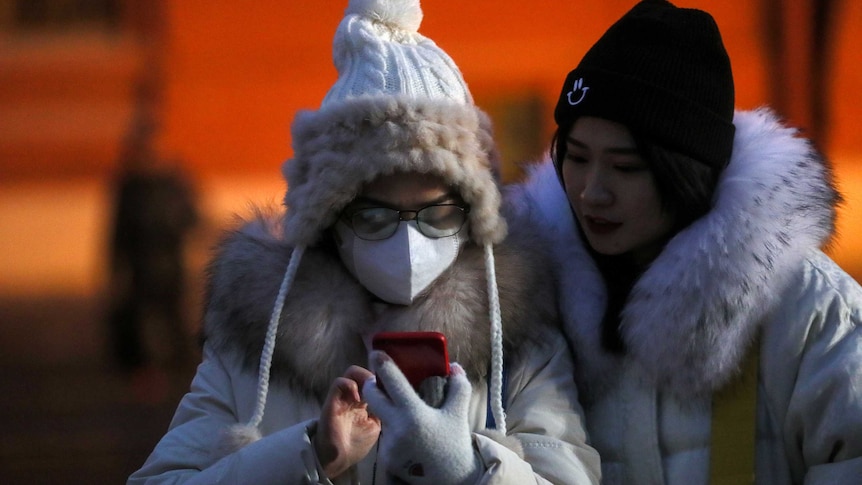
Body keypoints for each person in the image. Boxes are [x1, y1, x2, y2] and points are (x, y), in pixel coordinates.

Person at [129, 0, 600, 483]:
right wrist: (308, 455)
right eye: (374, 217)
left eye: (438, 214)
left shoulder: (519, 340)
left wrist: (467, 466)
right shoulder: (255, 341)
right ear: (329, 219)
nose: (410, 240)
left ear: (474, 217)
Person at [507, 0, 862, 483]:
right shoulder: (536, 298)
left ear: (689, 171)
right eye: (575, 156)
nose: (592, 191)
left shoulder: (810, 308)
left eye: (627, 167)